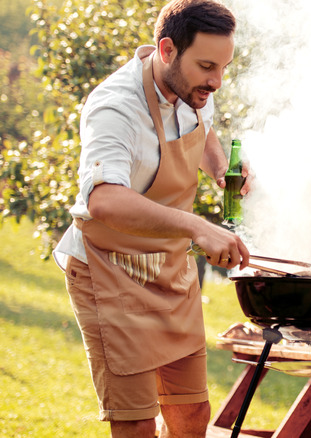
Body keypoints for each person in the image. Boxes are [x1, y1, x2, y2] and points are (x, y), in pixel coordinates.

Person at [52, 1, 249, 436]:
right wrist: (198, 226)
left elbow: (204, 128)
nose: (216, 81)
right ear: (166, 50)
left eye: (223, 67)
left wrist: (219, 167)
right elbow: (104, 200)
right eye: (206, 67)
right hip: (108, 269)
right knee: (137, 423)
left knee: (193, 414)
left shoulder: (192, 88)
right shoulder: (115, 107)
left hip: (169, 270)